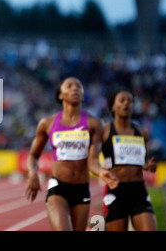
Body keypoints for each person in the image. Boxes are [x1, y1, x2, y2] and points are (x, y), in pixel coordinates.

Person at [24, 77, 119, 231]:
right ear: (60, 95)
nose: (75, 89)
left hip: (82, 189)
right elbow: (33, 155)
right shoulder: (47, 123)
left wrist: (101, 172)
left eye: (79, 86)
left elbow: (92, 161)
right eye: (69, 86)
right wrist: (33, 174)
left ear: (83, 94)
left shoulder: (94, 123)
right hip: (58, 187)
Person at [101, 88, 157, 231]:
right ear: (113, 106)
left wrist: (149, 166)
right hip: (116, 190)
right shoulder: (105, 131)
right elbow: (91, 159)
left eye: (130, 101)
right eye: (122, 100)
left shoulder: (142, 133)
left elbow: (142, 162)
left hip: (138, 191)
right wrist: (99, 171)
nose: (127, 104)